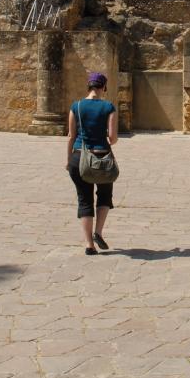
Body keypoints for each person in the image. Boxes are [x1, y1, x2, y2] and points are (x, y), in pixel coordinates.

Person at [66, 71, 118, 255]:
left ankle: (89, 245)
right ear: (103, 87)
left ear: (89, 86)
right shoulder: (108, 107)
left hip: (79, 157)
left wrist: (68, 160)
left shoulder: (76, 106)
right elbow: (113, 138)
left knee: (84, 199)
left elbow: (71, 136)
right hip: (102, 158)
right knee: (104, 196)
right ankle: (98, 232)